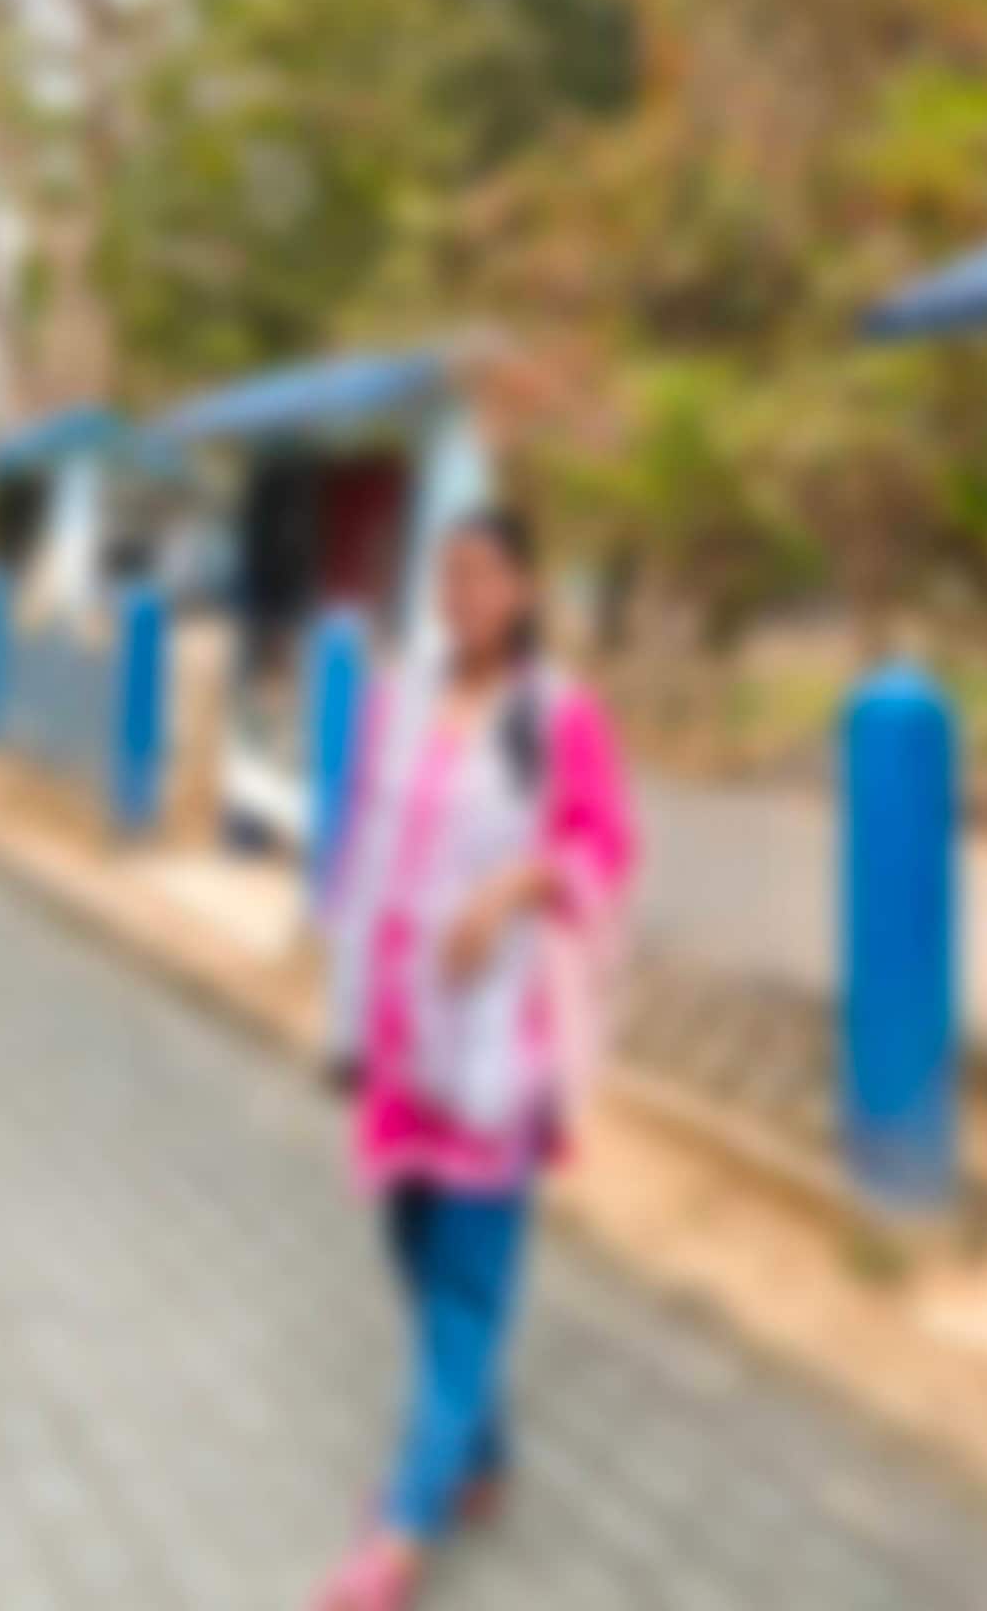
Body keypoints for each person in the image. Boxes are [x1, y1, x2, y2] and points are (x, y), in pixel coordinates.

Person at [313, 506, 640, 1610]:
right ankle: (482, 1452)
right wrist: (346, 1016)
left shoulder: (560, 716)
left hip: (498, 1044)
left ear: (528, 589)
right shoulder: (399, 697)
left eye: (487, 574)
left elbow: (604, 847)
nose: (464, 595)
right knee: (408, 1247)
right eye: (449, 574)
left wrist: (512, 888)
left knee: (463, 1288)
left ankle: (404, 1531)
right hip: (403, 1034)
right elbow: (362, 844)